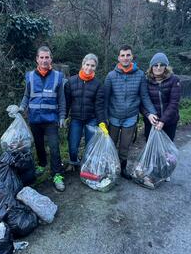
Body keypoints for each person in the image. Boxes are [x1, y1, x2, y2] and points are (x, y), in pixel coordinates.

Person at [10, 46, 66, 192]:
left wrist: (62, 116)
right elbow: (27, 96)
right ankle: (42, 164)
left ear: (51, 59)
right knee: (39, 144)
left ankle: (57, 174)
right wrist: (21, 108)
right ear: (37, 59)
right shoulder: (29, 76)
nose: (44, 60)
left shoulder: (58, 76)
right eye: (41, 57)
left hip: (51, 119)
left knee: (54, 148)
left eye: (47, 57)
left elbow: (61, 99)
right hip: (35, 118)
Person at [104, 45, 158, 179]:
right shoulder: (111, 76)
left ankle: (122, 169)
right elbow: (105, 98)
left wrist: (152, 113)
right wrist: (104, 117)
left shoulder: (140, 75)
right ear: (118, 58)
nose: (125, 58)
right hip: (114, 116)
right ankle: (109, 169)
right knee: (110, 144)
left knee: (125, 146)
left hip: (130, 117)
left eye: (128, 55)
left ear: (132, 57)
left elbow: (144, 96)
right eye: (123, 55)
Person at [64, 53, 106, 171]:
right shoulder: (71, 82)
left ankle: (87, 165)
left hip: (91, 118)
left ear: (95, 67)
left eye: (92, 65)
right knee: (73, 145)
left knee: (90, 145)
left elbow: (99, 106)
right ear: (82, 64)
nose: (89, 68)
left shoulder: (98, 84)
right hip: (76, 119)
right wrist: (63, 117)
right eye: (87, 64)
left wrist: (102, 122)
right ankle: (73, 162)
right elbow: (67, 103)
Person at [142, 52, 181, 141]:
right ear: (151, 67)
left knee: (167, 150)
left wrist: (163, 120)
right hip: (151, 121)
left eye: (161, 65)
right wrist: (148, 114)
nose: (158, 68)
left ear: (166, 67)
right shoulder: (145, 81)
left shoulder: (174, 80)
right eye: (155, 65)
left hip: (169, 121)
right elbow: (142, 101)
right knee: (152, 148)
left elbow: (174, 103)